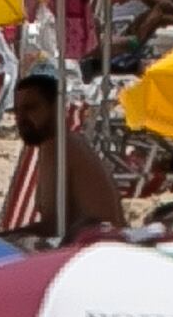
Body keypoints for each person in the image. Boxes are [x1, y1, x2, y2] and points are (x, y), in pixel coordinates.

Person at [8, 69, 127, 244]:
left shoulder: (58, 146)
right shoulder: (63, 143)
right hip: (98, 244)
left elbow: (54, 227)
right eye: (17, 111)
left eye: (30, 108)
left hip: (96, 250)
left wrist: (1, 238)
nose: (21, 119)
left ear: (56, 107)